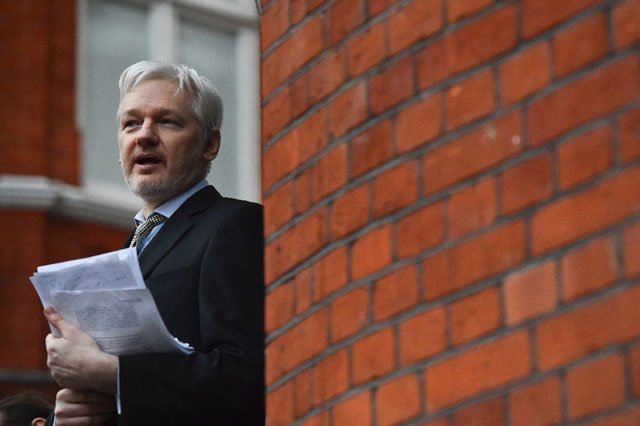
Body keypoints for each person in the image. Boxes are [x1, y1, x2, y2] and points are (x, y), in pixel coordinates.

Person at [43, 61, 265, 425]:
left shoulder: (232, 225)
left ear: (210, 143)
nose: (143, 135)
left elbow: (246, 375)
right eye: (131, 123)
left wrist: (113, 376)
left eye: (167, 122)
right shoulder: (128, 249)